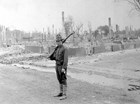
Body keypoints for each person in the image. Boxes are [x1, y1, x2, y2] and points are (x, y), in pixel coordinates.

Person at [49, 34, 68, 100]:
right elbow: (55, 57)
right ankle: (61, 92)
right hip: (57, 66)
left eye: (59, 41)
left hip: (62, 66)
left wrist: (63, 68)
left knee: (63, 79)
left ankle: (64, 95)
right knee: (59, 79)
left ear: (61, 41)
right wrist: (51, 57)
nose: (57, 42)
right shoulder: (57, 48)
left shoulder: (64, 48)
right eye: (56, 41)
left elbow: (65, 60)